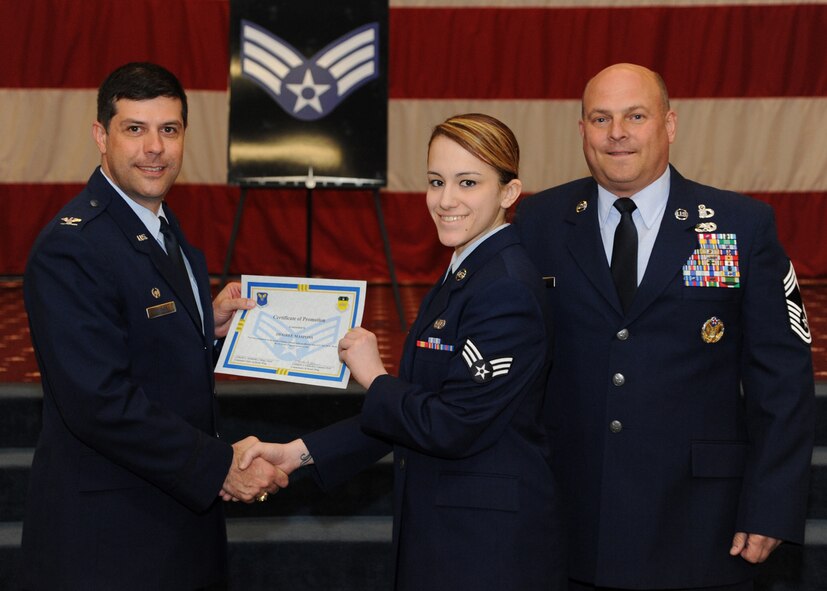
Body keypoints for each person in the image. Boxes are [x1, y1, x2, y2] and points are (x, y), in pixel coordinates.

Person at [515, 63, 815, 590]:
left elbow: (782, 382)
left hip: (701, 522)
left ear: (669, 124)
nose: (617, 134)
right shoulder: (539, 222)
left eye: (635, 115)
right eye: (600, 118)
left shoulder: (737, 226)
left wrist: (770, 505)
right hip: (571, 514)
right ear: (581, 130)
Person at [235, 113, 566, 590]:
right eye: (436, 182)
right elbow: (413, 409)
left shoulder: (506, 288)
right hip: (447, 533)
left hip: (487, 549)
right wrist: (297, 454)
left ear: (509, 193)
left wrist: (375, 378)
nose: (445, 201)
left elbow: (451, 425)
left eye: (467, 182)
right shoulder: (465, 272)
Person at [21, 62, 287, 590]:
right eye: (134, 129)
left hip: (174, 524)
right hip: (110, 540)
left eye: (169, 129)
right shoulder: (72, 247)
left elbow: (139, 340)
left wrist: (203, 327)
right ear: (101, 136)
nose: (155, 148)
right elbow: (99, 403)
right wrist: (219, 467)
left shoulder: (166, 229)